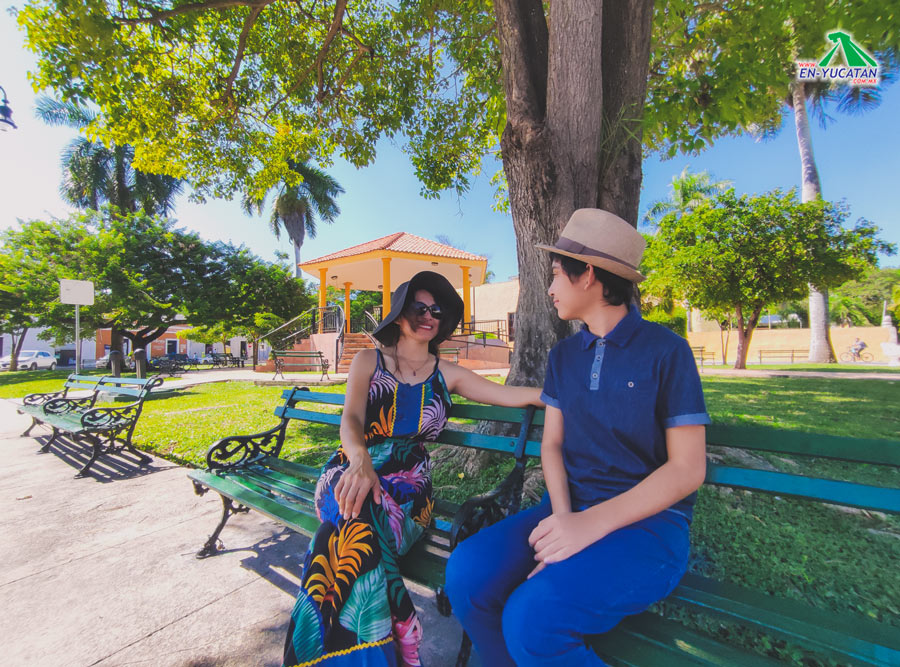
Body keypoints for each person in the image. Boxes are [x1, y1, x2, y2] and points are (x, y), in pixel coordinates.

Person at [445, 209, 711, 666]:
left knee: (532, 618)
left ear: (587, 274)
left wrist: (589, 527)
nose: (549, 289)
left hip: (649, 528)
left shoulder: (667, 351)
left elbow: (688, 468)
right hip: (569, 507)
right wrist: (566, 522)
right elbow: (551, 445)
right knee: (467, 572)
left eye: (555, 275)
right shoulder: (564, 355)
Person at [282, 271, 542, 667]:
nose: (428, 315)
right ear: (399, 314)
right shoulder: (368, 360)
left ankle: (322, 654)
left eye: (436, 310)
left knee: (339, 539)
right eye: (418, 307)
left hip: (408, 490)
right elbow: (350, 421)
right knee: (354, 518)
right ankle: (393, 639)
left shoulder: (448, 373)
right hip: (351, 468)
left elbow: (510, 395)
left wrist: (561, 395)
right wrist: (361, 462)